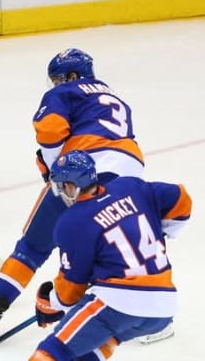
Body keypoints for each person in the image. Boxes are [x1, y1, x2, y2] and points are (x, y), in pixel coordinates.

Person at [0, 48, 149, 338]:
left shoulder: (65, 93)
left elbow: (50, 128)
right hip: (130, 176)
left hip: (84, 171)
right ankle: (138, 312)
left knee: (32, 247)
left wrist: (55, 169)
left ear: (73, 75)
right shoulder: (115, 97)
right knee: (126, 245)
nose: (56, 85)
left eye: (58, 79)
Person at [29, 150, 191, 360]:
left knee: (53, 351)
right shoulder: (130, 186)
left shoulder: (72, 221)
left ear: (71, 186)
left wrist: (51, 303)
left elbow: (70, 294)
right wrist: (165, 231)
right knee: (96, 346)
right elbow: (181, 198)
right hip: (163, 308)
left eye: (62, 186)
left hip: (118, 303)